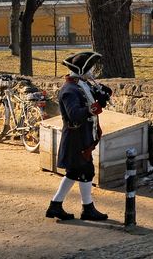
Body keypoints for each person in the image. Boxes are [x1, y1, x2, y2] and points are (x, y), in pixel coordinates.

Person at [46, 51, 108, 222]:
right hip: (75, 138)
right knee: (83, 171)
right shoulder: (69, 90)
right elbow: (74, 114)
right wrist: (94, 107)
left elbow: (90, 101)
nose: (92, 72)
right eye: (89, 69)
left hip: (82, 135)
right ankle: (83, 208)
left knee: (77, 172)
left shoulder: (82, 85)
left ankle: (58, 205)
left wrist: (102, 96)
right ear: (81, 70)